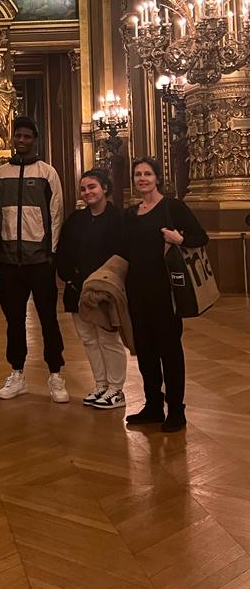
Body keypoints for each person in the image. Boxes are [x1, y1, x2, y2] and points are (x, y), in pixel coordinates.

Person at [120, 157, 208, 433]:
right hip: (137, 292)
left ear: (158, 178)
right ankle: (153, 406)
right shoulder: (130, 214)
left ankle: (176, 410)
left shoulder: (173, 207)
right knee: (145, 352)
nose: (142, 178)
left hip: (166, 292)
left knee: (169, 352)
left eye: (147, 174)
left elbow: (200, 237)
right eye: (137, 175)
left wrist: (179, 239)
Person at [0, 115, 68, 402]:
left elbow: (56, 214)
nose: (21, 140)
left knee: (48, 319)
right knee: (14, 321)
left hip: (40, 262)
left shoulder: (48, 173)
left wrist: (51, 254)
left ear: (35, 140)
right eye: (17, 136)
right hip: (9, 263)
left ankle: (55, 374)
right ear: (13, 139)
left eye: (27, 136)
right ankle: (17, 372)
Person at [56, 169, 127, 410]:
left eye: (92, 187)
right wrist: (70, 277)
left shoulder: (119, 219)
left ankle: (116, 389)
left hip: (105, 289)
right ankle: (101, 384)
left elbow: (123, 254)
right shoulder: (75, 220)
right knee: (88, 339)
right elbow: (63, 251)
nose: (87, 192)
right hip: (77, 288)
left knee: (108, 338)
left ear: (105, 188)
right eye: (83, 189)